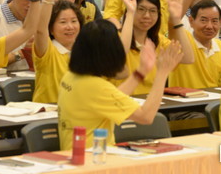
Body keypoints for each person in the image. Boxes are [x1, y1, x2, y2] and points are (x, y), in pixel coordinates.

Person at [57, 20, 182, 150]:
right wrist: (162, 73)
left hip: (77, 156)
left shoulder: (71, 76)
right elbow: (146, 117)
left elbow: (112, 97)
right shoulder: (96, 86)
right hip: (95, 159)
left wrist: (142, 71)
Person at [169, 0, 221, 88]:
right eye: (204, 20)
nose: (209, 26)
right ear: (191, 21)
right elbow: (173, 22)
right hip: (186, 100)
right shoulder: (182, 42)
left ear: (220, 22)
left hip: (215, 100)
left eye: (214, 21)